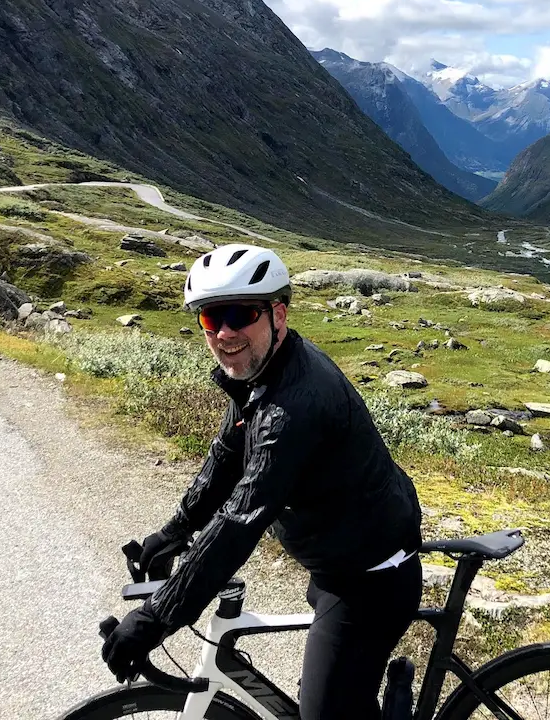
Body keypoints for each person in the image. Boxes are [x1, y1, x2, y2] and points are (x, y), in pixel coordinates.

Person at [100, 244, 424, 720]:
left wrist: (154, 619)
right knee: (339, 692)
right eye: (212, 319)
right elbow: (226, 457)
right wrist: (173, 532)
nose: (226, 333)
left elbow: (240, 523)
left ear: (278, 314)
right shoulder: (263, 372)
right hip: (338, 555)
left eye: (240, 315)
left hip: (371, 577)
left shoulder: (293, 407)